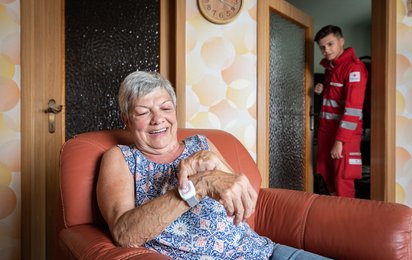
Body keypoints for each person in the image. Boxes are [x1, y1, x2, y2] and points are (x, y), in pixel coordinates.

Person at [97, 70, 329, 259]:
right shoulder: (121, 158)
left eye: (166, 108)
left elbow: (246, 205)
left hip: (263, 252)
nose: (158, 119)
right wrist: (196, 186)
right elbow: (124, 234)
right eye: (143, 112)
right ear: (126, 119)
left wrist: (217, 165)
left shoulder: (201, 144)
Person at [314, 25, 368, 198]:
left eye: (330, 44)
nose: (326, 50)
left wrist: (340, 140)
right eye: (322, 47)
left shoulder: (354, 68)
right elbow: (336, 97)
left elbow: (353, 109)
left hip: (345, 135)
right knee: (325, 170)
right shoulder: (331, 68)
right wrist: (322, 88)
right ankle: (335, 213)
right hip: (326, 131)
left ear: (341, 41)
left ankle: (347, 220)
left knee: (343, 177)